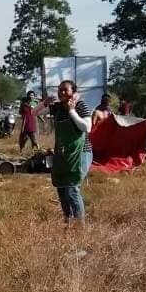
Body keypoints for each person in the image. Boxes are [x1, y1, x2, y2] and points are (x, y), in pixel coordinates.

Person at [51, 78, 93, 224]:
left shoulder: (81, 106)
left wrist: (72, 111)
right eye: (60, 89)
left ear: (73, 92)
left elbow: (87, 128)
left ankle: (79, 226)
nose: (62, 92)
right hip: (63, 154)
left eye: (65, 89)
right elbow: (34, 112)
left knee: (72, 189)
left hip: (81, 153)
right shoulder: (57, 107)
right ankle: (68, 222)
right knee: (62, 189)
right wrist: (44, 102)